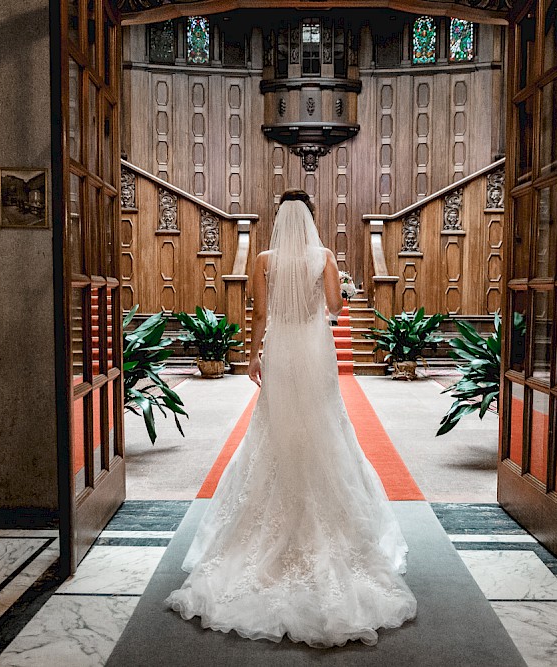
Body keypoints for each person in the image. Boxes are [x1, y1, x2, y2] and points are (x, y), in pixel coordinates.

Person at [165, 189, 417, 648]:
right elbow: (337, 309)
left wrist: (250, 354)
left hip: (280, 347)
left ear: (280, 219)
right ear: (312, 219)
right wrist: (330, 302)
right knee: (324, 420)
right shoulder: (323, 257)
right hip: (313, 347)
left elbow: (259, 312)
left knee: (273, 424)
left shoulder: (263, 260)